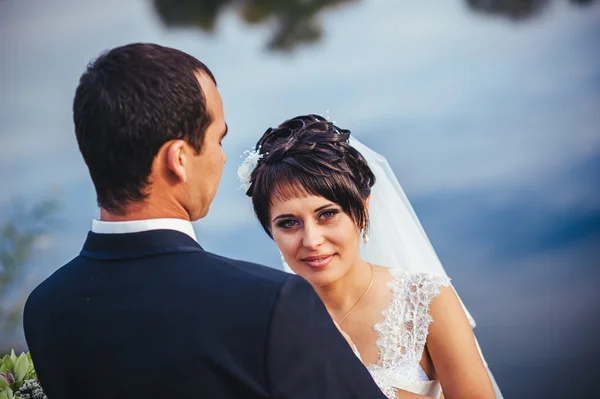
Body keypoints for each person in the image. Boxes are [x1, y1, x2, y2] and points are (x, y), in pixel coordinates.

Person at [22, 44, 388, 399]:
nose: (223, 160)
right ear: (178, 159)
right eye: (218, 139)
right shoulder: (270, 305)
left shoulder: (46, 308)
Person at [240, 114, 503, 398]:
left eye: (327, 215)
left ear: (362, 210)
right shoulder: (268, 324)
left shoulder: (425, 302)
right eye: (288, 223)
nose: (312, 241)